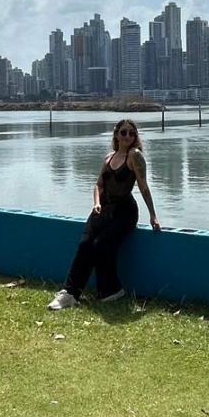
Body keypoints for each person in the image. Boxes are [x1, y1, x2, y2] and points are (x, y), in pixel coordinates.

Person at [48, 119, 160, 309]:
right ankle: (70, 293)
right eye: (123, 132)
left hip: (124, 211)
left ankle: (111, 290)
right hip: (103, 208)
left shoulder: (135, 156)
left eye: (132, 133)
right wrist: (97, 203)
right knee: (85, 244)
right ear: (116, 134)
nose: (128, 136)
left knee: (102, 245)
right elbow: (99, 184)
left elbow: (143, 186)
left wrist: (153, 215)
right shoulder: (109, 157)